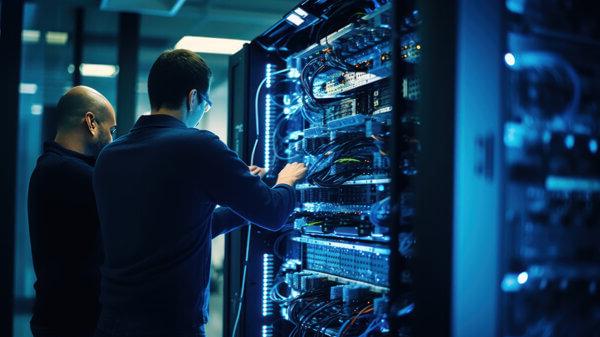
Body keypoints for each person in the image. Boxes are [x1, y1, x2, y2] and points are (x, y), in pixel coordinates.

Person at [92, 49, 307, 337]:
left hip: (112, 323)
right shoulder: (198, 145)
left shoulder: (110, 155)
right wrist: (285, 182)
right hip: (172, 327)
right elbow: (273, 213)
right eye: (205, 104)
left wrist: (244, 195)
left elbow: (188, 229)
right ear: (193, 97)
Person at [27, 86, 117, 337]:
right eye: (112, 130)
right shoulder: (68, 173)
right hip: (71, 323)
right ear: (91, 122)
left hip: (61, 318)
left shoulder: (53, 167)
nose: (112, 140)